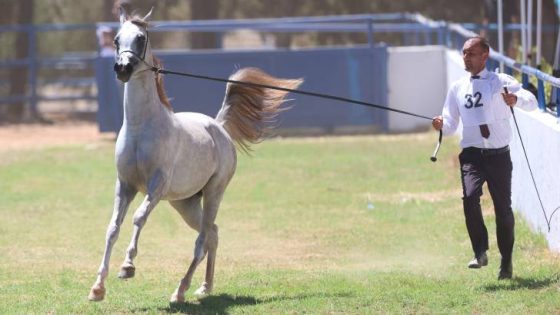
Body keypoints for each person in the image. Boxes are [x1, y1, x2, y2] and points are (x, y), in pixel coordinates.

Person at [432, 36, 537, 280]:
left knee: (504, 210)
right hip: (472, 155)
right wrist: (440, 123)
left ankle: (507, 261)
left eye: (471, 53)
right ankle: (480, 251)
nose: (466, 57)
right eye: (464, 53)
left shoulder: (502, 81)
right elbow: (449, 124)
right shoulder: (458, 87)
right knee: (469, 198)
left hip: (499, 156)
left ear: (485, 55)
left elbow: (532, 101)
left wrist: (516, 100)